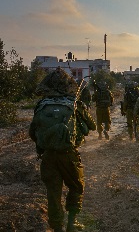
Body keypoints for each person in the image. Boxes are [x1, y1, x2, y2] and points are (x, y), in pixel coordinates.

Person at [29, 68, 96, 232]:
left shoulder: (41, 105)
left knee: (53, 193)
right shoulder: (74, 104)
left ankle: (57, 227)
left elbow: (33, 133)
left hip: (48, 156)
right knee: (76, 186)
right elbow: (92, 126)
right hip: (69, 155)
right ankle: (72, 222)